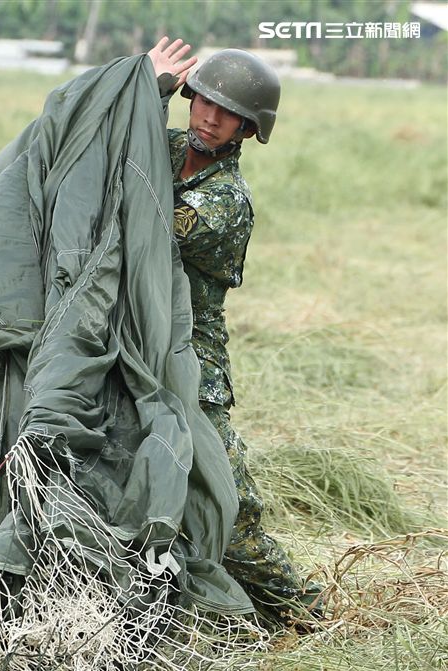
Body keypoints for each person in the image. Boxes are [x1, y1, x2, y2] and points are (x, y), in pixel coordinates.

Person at [147, 38, 322, 621]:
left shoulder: (226, 200)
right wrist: (146, 88)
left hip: (193, 361)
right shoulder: (164, 150)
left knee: (229, 502)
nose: (208, 117)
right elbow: (101, 155)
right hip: (135, 342)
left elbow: (139, 228)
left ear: (248, 131)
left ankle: (295, 612)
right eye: (200, 101)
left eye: (227, 114)